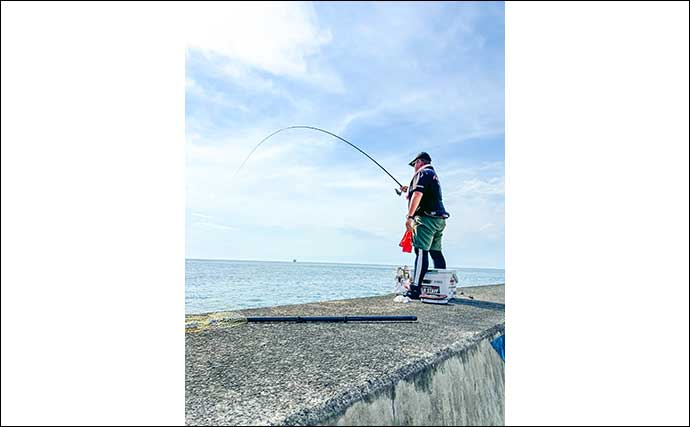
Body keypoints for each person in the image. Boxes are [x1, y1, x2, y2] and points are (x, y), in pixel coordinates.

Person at [399, 152, 449, 299]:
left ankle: (415, 289)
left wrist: (410, 217)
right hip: (439, 220)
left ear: (419, 162)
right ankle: (442, 286)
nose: (414, 168)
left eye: (414, 164)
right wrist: (408, 189)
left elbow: (418, 195)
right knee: (436, 252)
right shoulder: (432, 174)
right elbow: (423, 193)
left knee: (420, 251)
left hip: (426, 219)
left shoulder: (422, 173)